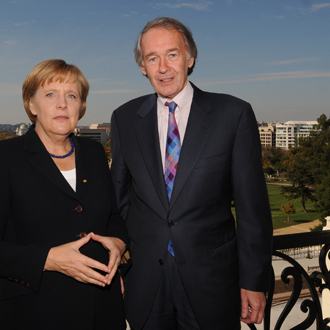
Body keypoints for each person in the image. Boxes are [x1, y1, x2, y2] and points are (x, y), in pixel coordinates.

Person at [111, 17, 273, 330]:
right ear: (142, 66)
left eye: (172, 55)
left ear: (190, 58)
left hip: (212, 281)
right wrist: (115, 267)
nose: (162, 68)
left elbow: (253, 208)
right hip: (145, 281)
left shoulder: (233, 114)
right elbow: (118, 204)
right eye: (152, 58)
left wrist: (254, 281)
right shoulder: (125, 118)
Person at [0, 59, 128, 330]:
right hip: (36, 312)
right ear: (32, 105)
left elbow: (113, 217)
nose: (62, 104)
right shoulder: (5, 157)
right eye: (50, 94)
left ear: (81, 107)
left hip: (103, 309)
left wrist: (119, 243)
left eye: (71, 96)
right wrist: (48, 259)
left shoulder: (94, 154)